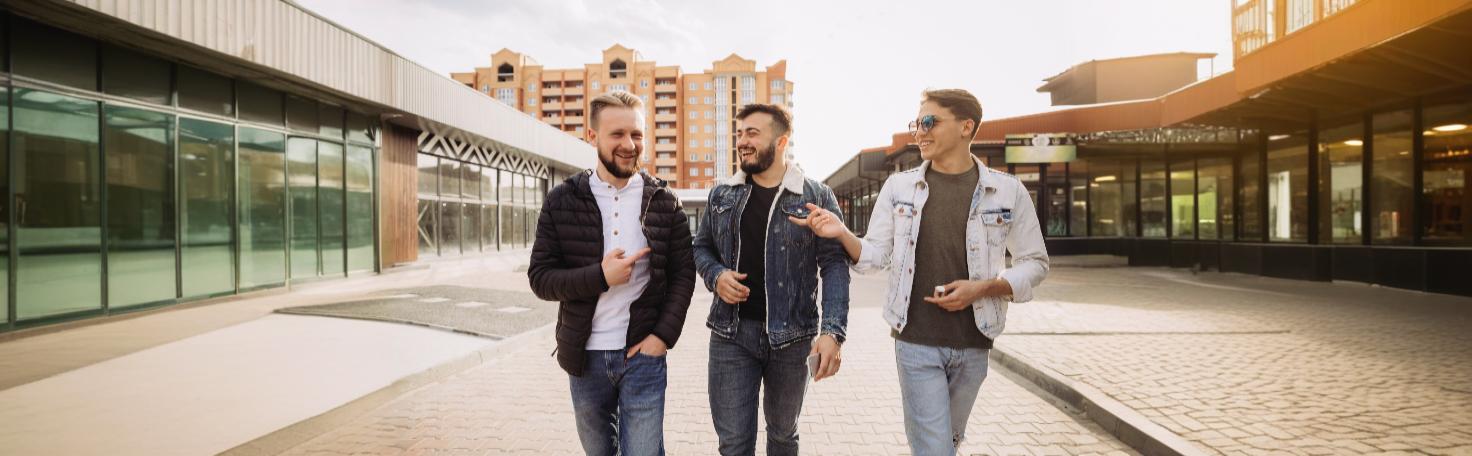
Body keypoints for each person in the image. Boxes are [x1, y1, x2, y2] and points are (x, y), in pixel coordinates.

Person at [791, 89, 1049, 455]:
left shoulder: (1006, 192)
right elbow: (875, 256)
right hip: (915, 339)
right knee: (934, 449)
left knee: (949, 442)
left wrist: (983, 288)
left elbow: (1036, 262)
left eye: (929, 122)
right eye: (916, 123)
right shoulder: (899, 188)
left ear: (966, 126)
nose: (919, 132)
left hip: (976, 341)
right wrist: (841, 232)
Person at [528, 91, 695, 456]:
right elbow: (541, 278)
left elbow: (684, 275)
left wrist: (662, 338)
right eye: (617, 134)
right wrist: (601, 277)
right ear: (592, 136)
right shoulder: (561, 200)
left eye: (636, 134)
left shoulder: (665, 202)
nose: (629, 144)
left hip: (643, 356)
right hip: (584, 358)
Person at [692, 103, 850, 456]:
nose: (742, 141)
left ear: (781, 142)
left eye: (752, 133)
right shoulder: (722, 194)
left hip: (793, 339)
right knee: (733, 444)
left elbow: (835, 265)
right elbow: (701, 247)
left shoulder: (816, 196)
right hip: (730, 335)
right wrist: (716, 276)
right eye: (739, 133)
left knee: (782, 436)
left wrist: (833, 332)